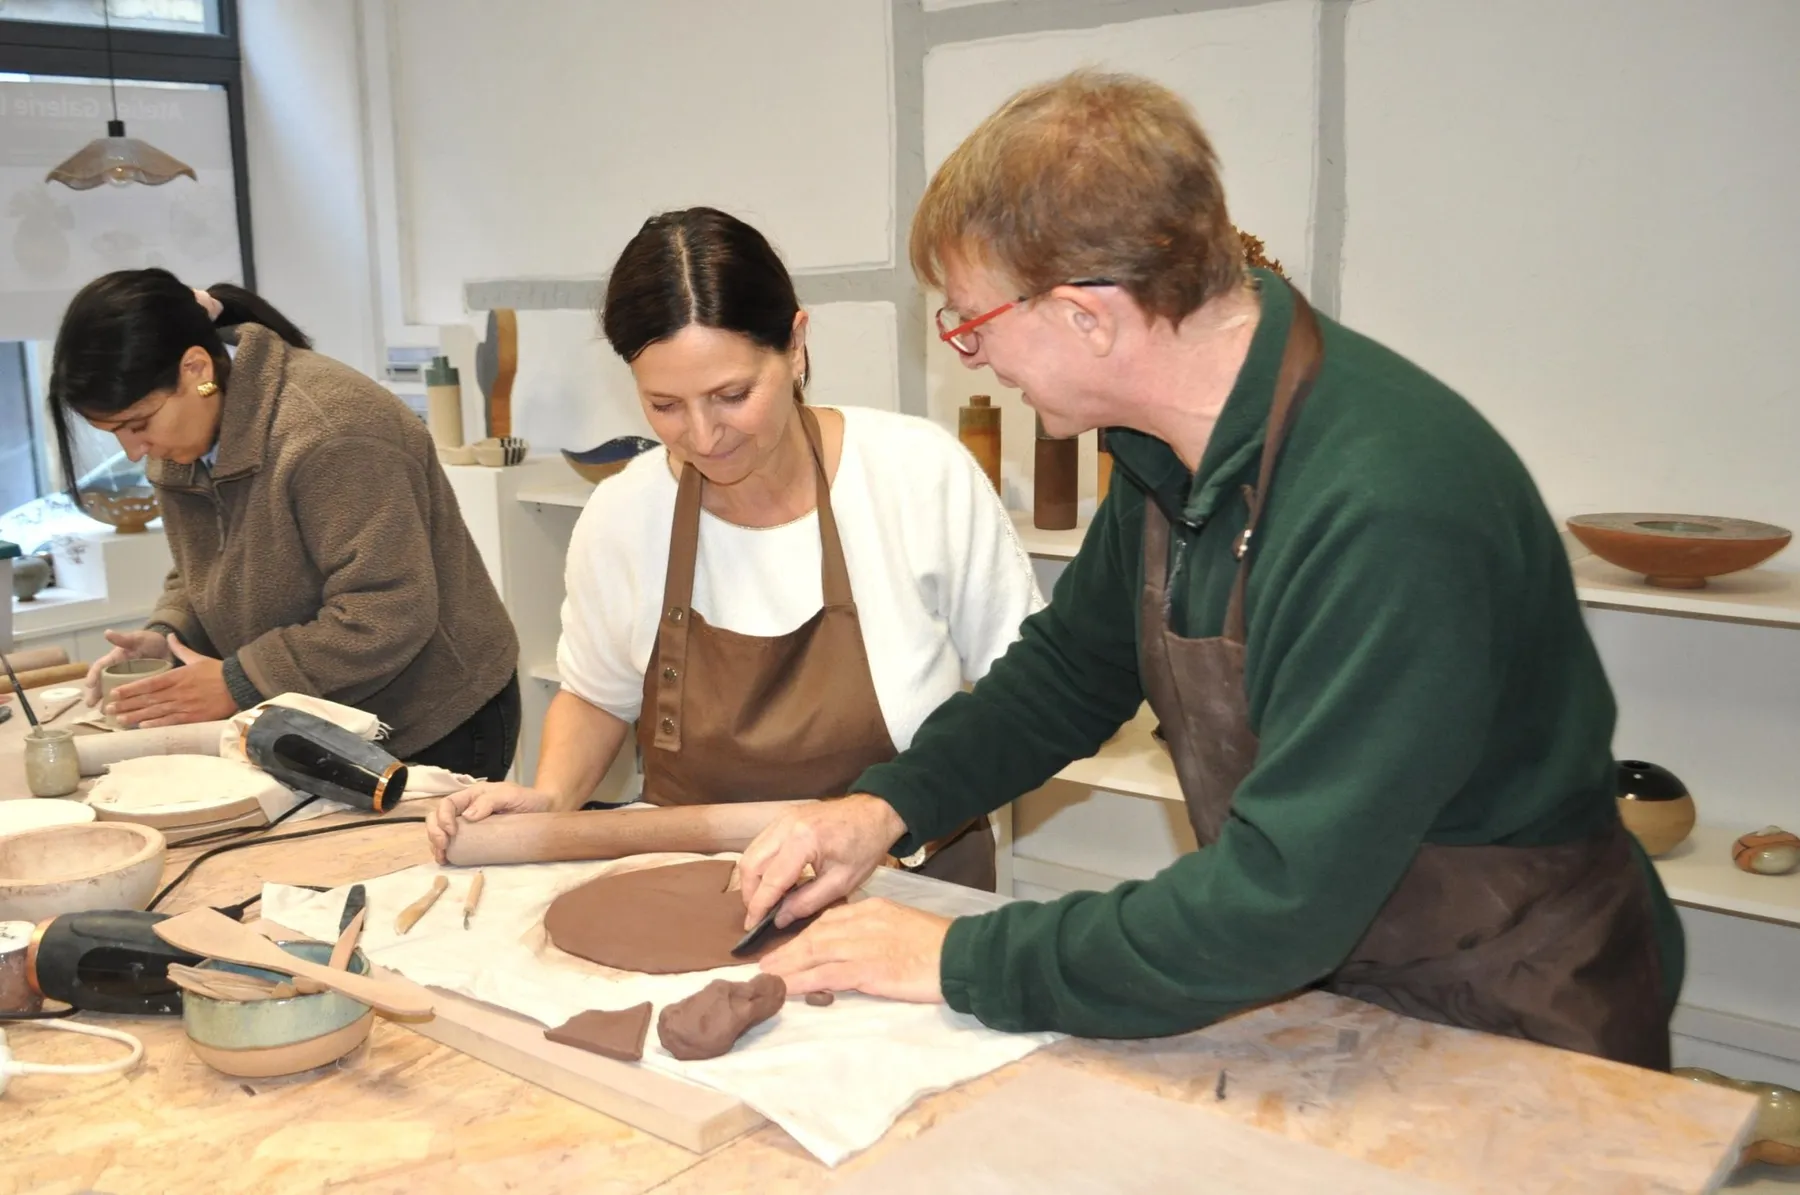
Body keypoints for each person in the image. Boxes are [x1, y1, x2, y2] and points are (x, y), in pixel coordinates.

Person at [735, 72, 1684, 1069]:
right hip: (1321, 969)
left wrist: (961, 956)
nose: (969, 357)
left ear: (1088, 316)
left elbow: (1279, 896)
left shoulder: (1384, 505)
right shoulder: (1168, 454)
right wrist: (883, 807)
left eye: (972, 321)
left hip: (1509, 1002)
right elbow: (1068, 673)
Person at [426, 208, 1042, 889]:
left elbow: (1024, 695)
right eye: (664, 404)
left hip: (906, 885)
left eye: (732, 394)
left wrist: (897, 818)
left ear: (796, 343)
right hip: (700, 896)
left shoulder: (916, 476)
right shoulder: (625, 515)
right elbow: (597, 697)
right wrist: (549, 801)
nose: (703, 434)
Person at [49, 269, 521, 778]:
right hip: (317, 716)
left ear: (195, 368)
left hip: (430, 718)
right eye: (113, 433)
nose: (134, 450)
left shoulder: (331, 433)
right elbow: (203, 570)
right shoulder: (183, 438)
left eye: (138, 424)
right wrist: (170, 637)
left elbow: (387, 609)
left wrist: (237, 682)